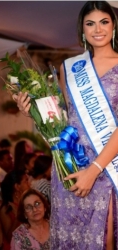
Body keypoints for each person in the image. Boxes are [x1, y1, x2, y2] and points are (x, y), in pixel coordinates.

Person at [15, 1, 118, 248]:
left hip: (108, 168)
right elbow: (62, 121)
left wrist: (93, 171)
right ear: (82, 30)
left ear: (114, 26)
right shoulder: (69, 68)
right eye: (90, 23)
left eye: (104, 22)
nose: (98, 29)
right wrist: (32, 112)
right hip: (70, 165)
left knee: (103, 240)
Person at [0, 170, 30, 247]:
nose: (29, 184)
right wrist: (18, 217)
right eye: (26, 181)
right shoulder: (7, 208)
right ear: (17, 186)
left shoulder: (27, 202)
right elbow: (10, 238)